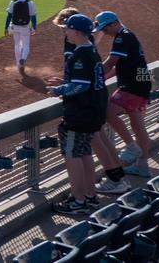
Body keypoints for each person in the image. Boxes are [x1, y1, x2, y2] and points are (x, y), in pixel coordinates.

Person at [47, 14, 109, 216]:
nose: (65, 31)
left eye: (67, 28)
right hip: (93, 111)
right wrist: (63, 83)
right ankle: (90, 196)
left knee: (72, 155)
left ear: (75, 31)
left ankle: (79, 201)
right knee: (84, 153)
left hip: (80, 114)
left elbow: (81, 86)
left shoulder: (80, 55)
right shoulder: (91, 51)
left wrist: (59, 91)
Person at [94, 11, 153, 177]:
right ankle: (142, 165)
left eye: (105, 29)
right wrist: (101, 78)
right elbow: (119, 67)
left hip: (133, 84)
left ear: (114, 23)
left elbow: (111, 62)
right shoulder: (127, 35)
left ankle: (131, 147)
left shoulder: (122, 37)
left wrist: (92, 75)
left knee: (108, 112)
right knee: (138, 126)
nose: (104, 33)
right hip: (140, 82)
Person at [5, 0, 37, 73]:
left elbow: (9, 16)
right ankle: (23, 59)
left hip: (14, 27)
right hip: (25, 27)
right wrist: (34, 27)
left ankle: (18, 65)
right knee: (26, 45)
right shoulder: (30, 3)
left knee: (17, 45)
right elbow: (33, 17)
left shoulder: (13, 2)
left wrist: (6, 27)